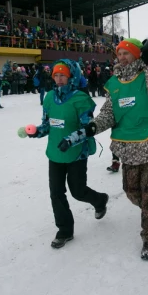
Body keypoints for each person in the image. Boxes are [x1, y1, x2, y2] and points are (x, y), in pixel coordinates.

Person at [61, 38, 148, 260]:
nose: (121, 57)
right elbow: (109, 113)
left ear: (137, 54)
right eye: (119, 53)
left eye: (126, 53)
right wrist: (93, 126)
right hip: (128, 147)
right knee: (132, 192)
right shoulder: (114, 82)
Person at [24, 59, 109, 249]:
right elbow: (48, 124)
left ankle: (100, 200)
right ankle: (65, 230)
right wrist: (37, 131)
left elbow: (88, 128)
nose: (59, 79)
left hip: (77, 153)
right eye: (56, 75)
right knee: (56, 193)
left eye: (63, 75)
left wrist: (71, 139)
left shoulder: (80, 99)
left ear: (71, 76)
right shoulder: (49, 98)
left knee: (78, 191)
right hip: (55, 152)